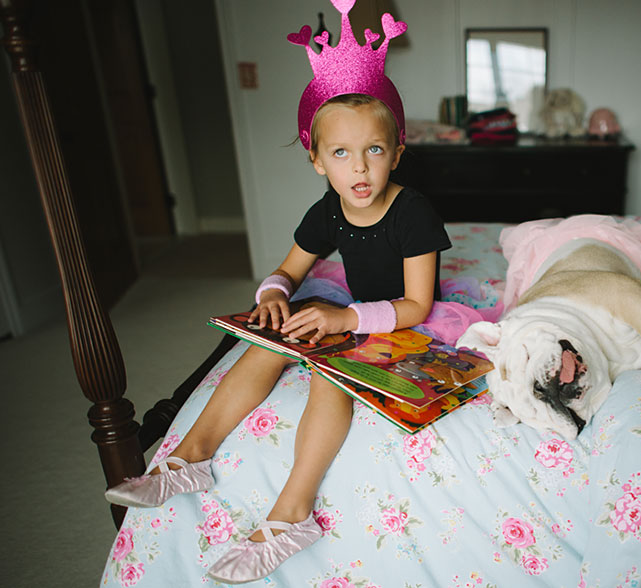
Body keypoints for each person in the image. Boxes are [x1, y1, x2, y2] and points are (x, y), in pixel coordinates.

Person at [105, 4, 451, 582]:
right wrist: (272, 294)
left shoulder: (413, 213)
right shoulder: (328, 209)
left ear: (397, 152)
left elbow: (418, 304)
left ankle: (291, 514)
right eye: (340, 153)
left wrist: (345, 321)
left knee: (328, 372)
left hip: (399, 323)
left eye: (374, 150)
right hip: (349, 311)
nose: (359, 169)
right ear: (316, 161)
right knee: (270, 342)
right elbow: (288, 269)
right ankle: (190, 458)